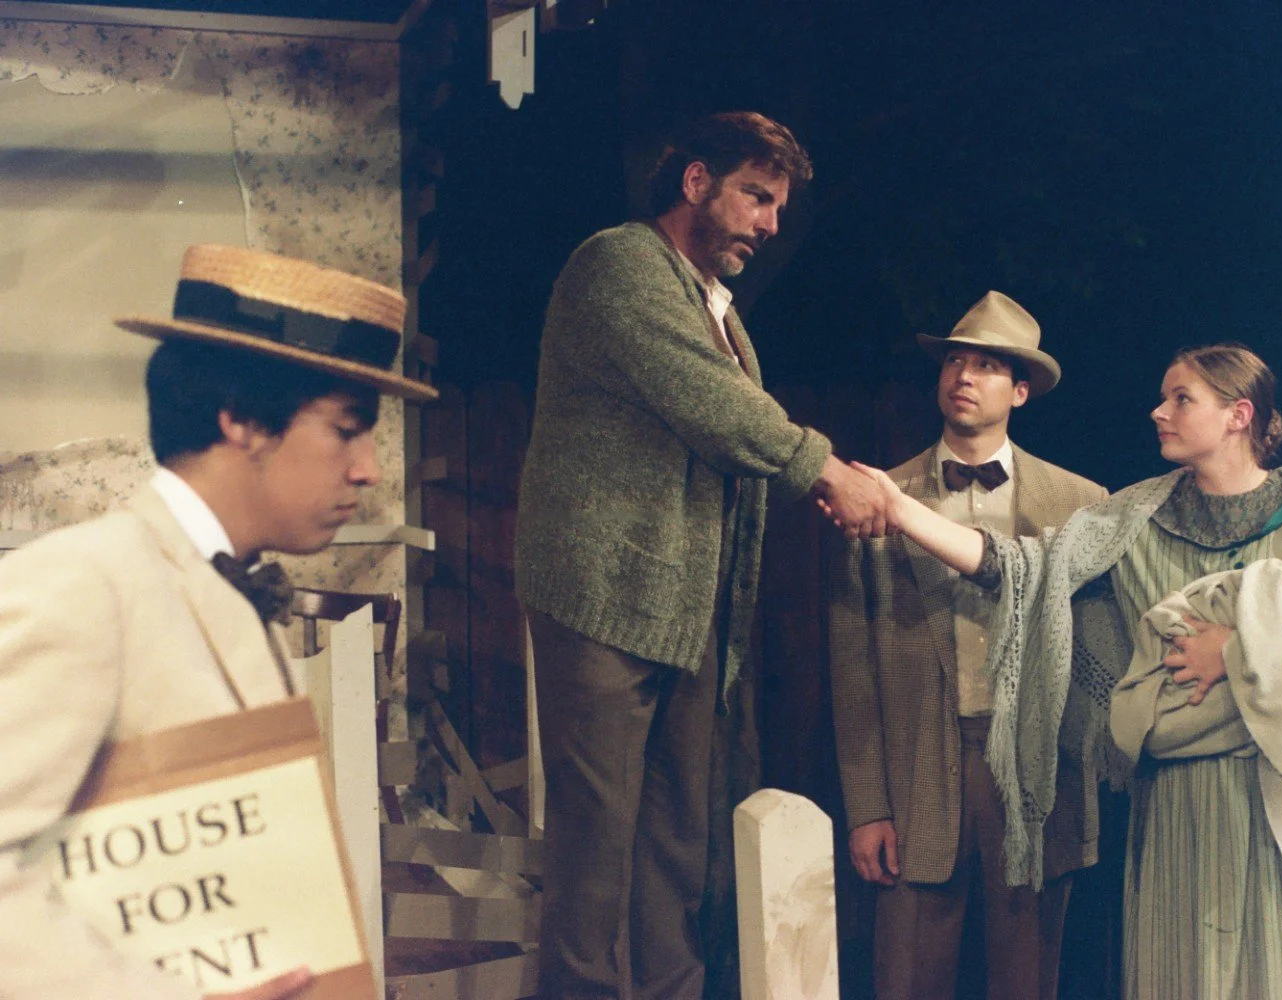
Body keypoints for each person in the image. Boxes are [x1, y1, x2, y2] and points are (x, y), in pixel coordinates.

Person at [842, 343, 1282, 1000]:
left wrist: (1237, 647)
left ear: (1239, 415)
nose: (1158, 412)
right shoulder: (1132, 518)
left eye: (1181, 399)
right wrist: (901, 509)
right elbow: (1018, 568)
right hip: (1183, 804)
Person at [514, 110, 891, 999]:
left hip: (681, 613)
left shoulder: (711, 306)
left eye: (777, 206)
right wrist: (827, 471)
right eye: (756, 197)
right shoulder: (619, 265)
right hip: (605, 598)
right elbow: (717, 409)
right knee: (596, 853)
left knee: (677, 850)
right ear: (694, 183)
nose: (769, 223)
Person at [0, 244, 436, 999]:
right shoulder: (87, 582)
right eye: (346, 428)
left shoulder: (234, 593)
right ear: (241, 420)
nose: (368, 467)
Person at [829, 291, 1105, 1000]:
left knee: (1027, 977)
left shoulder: (1079, 501)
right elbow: (853, 662)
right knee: (907, 974)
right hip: (920, 759)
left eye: (987, 365)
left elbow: (1096, 655)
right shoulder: (881, 493)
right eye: (956, 359)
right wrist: (866, 807)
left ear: (1019, 390)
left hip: (1033, 770)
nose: (965, 375)